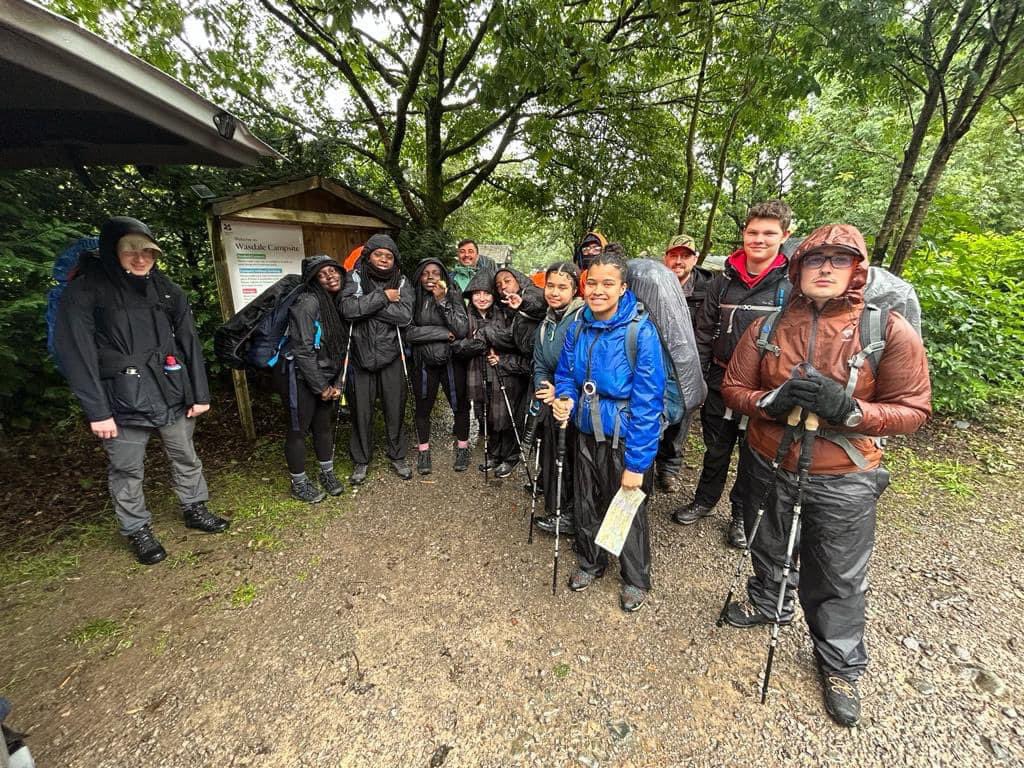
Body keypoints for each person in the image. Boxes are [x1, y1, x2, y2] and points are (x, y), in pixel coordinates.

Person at [720, 223, 931, 727]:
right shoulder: (767, 328)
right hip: (769, 460)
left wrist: (852, 410)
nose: (826, 269)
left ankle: (839, 664)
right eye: (816, 260)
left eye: (839, 260)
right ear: (798, 268)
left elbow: (913, 410)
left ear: (857, 270)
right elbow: (733, 388)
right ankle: (769, 602)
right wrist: (771, 401)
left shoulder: (886, 329)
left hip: (844, 472)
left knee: (837, 571)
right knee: (767, 542)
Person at [54, 216, 228, 565]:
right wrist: (97, 411)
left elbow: (188, 342)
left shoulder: (165, 289)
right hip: (121, 399)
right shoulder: (86, 290)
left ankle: (195, 507)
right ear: (111, 250)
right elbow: (76, 351)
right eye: (130, 250)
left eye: (147, 250)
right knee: (127, 469)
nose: (140, 257)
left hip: (171, 390)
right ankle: (137, 529)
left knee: (185, 456)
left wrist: (200, 393)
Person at [674, 201, 793, 549]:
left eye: (769, 234)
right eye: (753, 232)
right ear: (743, 233)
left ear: (784, 236)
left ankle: (741, 513)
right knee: (716, 448)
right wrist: (702, 375)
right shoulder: (722, 282)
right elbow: (704, 330)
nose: (759, 239)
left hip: (765, 389)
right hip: (721, 381)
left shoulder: (789, 284)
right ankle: (704, 500)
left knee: (754, 453)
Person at [554, 252, 666, 613]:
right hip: (585, 428)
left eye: (607, 284)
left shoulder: (640, 333)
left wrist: (636, 463)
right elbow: (566, 374)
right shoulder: (577, 325)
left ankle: (634, 577)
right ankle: (591, 561)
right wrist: (566, 399)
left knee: (626, 503)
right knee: (586, 500)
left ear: (622, 288)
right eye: (592, 283)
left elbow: (649, 404)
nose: (598, 291)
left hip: (624, 433)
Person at [340, 234, 414, 484]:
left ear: (395, 260)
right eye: (378, 254)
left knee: (395, 407)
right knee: (361, 410)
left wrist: (367, 306)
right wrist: (383, 298)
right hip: (360, 354)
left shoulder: (402, 281)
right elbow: (348, 310)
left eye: (389, 256)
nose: (384, 259)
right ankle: (361, 460)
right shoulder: (355, 276)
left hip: (392, 354)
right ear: (368, 255)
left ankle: (397, 455)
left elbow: (404, 316)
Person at [275, 254, 348, 503]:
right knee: (298, 430)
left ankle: (327, 473)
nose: (331, 276)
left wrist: (336, 383)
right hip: (299, 377)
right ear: (313, 280)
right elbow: (302, 348)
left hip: (325, 376)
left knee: (322, 427)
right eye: (322, 273)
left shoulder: (334, 302)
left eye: (333, 270)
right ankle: (299, 482)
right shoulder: (307, 302)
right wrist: (321, 387)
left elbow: (339, 348)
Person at [452, 271, 530, 477]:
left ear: (494, 295)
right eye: (477, 293)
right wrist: (480, 344)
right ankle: (494, 454)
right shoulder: (465, 316)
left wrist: (486, 340)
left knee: (505, 416)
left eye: (486, 293)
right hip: (478, 374)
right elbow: (457, 346)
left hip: (504, 375)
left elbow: (513, 340)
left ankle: (510, 457)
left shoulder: (505, 313)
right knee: (487, 417)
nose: (482, 298)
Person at [527, 262, 585, 536]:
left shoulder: (583, 320)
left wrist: (561, 391)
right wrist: (544, 388)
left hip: (578, 402)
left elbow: (587, 365)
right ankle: (557, 508)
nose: (554, 292)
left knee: (573, 459)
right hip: (552, 400)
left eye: (562, 287)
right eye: (550, 285)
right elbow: (539, 363)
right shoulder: (546, 323)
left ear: (574, 290)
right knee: (554, 455)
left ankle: (573, 514)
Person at [655, 233, 714, 493]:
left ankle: (669, 468)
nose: (679, 261)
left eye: (685, 256)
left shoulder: (708, 289)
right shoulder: (654, 284)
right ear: (665, 258)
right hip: (657, 360)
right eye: (674, 255)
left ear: (695, 258)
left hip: (689, 364)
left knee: (681, 419)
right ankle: (643, 463)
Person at [405, 257, 470, 473]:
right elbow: (409, 332)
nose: (430, 277)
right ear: (419, 276)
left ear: (443, 276)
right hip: (423, 362)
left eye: (435, 273)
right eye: (425, 273)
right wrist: (443, 333)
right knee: (423, 407)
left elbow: (461, 329)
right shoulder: (413, 297)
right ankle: (423, 451)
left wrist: (442, 301)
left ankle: (463, 447)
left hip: (451, 361)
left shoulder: (452, 294)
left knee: (459, 405)